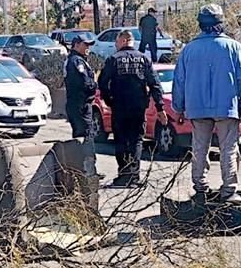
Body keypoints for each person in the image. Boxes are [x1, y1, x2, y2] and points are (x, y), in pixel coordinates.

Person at [172, 4, 241, 206]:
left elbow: (179, 81)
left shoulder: (189, 50)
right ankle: (228, 191)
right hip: (226, 107)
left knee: (199, 148)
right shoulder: (233, 47)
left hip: (197, 108)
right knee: (229, 148)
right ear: (221, 24)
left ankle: (200, 190)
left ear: (200, 25)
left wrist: (179, 108)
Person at [98, 30, 166, 187]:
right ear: (131, 41)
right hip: (138, 107)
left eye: (116, 42)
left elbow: (102, 82)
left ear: (122, 41)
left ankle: (123, 174)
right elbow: (155, 84)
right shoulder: (144, 59)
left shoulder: (113, 59)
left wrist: (109, 100)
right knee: (136, 141)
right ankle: (134, 176)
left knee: (121, 140)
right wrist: (159, 107)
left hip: (119, 107)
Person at [64, 34, 98, 177]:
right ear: (76, 45)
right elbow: (85, 83)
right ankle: (86, 171)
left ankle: (84, 170)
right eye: (85, 45)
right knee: (85, 137)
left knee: (84, 136)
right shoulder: (76, 61)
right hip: (80, 105)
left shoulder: (78, 60)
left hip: (79, 104)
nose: (88, 48)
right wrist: (94, 83)